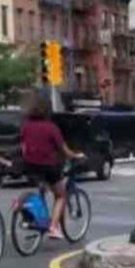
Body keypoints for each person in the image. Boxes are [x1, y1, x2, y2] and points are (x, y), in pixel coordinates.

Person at [18, 90, 84, 240]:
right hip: (48, 166)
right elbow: (64, 151)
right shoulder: (51, 128)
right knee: (61, 195)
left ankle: (38, 215)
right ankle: (53, 227)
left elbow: (23, 146)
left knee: (43, 186)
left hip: (29, 165)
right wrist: (76, 155)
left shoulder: (26, 126)